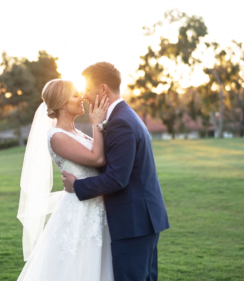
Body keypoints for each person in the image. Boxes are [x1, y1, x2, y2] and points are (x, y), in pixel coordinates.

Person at [62, 62, 170, 281]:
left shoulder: (120, 122)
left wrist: (77, 185)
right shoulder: (124, 116)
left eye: (88, 90)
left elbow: (117, 179)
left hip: (133, 223)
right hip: (142, 219)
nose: (85, 96)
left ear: (103, 89)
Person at [17, 78, 114, 280]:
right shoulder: (57, 136)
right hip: (80, 212)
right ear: (62, 103)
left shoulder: (77, 132)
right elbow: (97, 158)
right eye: (76, 95)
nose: (82, 98)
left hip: (97, 207)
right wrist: (97, 123)